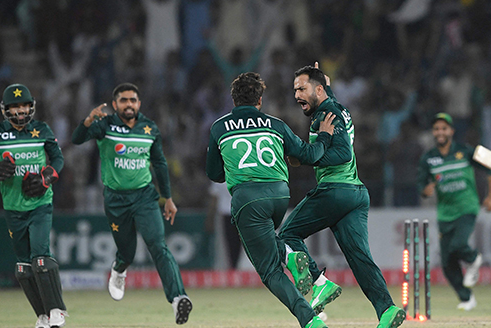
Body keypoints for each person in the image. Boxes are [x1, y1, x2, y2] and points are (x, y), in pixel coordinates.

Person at [278, 64, 407, 328]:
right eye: (295, 90)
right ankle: (387, 309)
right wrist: (325, 82)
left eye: (302, 89)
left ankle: (319, 283)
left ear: (318, 90)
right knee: (360, 258)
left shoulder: (326, 112)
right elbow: (331, 99)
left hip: (335, 191)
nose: (296, 96)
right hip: (356, 193)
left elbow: (343, 154)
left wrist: (305, 156)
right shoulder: (336, 106)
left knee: (287, 235)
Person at [205, 72, 335, 328]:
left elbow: (213, 174)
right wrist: (325, 136)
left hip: (247, 199)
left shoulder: (219, 127)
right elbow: (309, 155)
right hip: (279, 194)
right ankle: (288, 254)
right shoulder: (276, 124)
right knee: (269, 241)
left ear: (233, 100)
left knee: (269, 271)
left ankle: (309, 319)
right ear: (260, 100)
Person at [71, 83, 191, 325]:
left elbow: (159, 164)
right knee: (128, 252)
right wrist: (87, 122)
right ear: (115, 105)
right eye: (124, 101)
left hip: (145, 197)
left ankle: (178, 298)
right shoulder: (105, 125)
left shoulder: (149, 128)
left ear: (139, 104)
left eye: (133, 100)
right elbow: (77, 140)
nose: (129, 104)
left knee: (158, 245)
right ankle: (119, 268)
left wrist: (168, 198)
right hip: (116, 200)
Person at [0, 84, 67, 328]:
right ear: (5, 109)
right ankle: (43, 316)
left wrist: (48, 176)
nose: (20, 111)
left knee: (40, 257)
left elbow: (57, 158)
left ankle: (57, 310)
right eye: (15, 106)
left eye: (24, 105)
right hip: (13, 206)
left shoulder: (42, 129)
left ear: (31, 106)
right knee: (23, 268)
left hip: (40, 203)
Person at [417, 112, 491, 311]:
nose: (440, 132)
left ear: (451, 131)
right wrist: (426, 190)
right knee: (447, 262)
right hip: (445, 213)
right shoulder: (428, 158)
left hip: (467, 207)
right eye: (436, 129)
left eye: (444, 128)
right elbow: (422, 186)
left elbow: (490, 168)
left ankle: (473, 258)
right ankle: (467, 298)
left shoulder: (464, 151)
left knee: (458, 244)